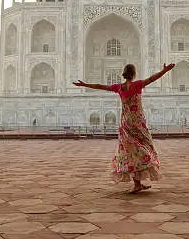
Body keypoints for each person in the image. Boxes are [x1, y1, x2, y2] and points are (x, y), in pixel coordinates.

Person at [73, 62, 175, 194]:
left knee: (130, 152)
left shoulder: (119, 87)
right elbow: (152, 79)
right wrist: (165, 71)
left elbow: (100, 86)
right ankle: (140, 177)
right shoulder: (137, 85)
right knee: (145, 148)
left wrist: (84, 85)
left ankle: (137, 183)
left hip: (126, 123)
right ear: (134, 74)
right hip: (138, 123)